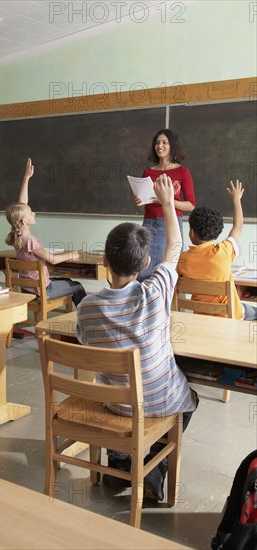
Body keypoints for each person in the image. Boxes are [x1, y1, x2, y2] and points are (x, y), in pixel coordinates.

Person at [77, 174, 198, 501]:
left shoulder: (86, 308)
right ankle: (151, 467)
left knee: (120, 390)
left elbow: (86, 341)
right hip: (157, 403)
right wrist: (169, 203)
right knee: (191, 398)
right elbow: (174, 246)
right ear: (145, 263)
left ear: (104, 261)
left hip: (116, 405)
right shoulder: (155, 292)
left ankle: (119, 459)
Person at [5, 158, 86, 306]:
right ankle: (86, 321)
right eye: (31, 213)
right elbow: (53, 260)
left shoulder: (17, 236)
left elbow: (22, 205)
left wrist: (26, 178)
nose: (34, 213)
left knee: (67, 282)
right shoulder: (31, 241)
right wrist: (72, 254)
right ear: (23, 221)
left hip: (27, 289)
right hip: (42, 290)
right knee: (77, 286)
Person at [177, 180, 257, 321]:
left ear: (192, 233)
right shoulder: (224, 251)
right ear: (216, 232)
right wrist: (236, 199)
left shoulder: (183, 259)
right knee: (250, 311)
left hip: (200, 317)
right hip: (231, 317)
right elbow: (238, 226)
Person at [134, 129, 196, 280]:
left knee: (166, 268)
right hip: (148, 222)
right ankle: (145, 301)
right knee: (143, 267)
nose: (159, 146)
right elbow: (146, 204)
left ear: (172, 146)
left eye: (164, 142)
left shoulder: (182, 171)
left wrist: (167, 201)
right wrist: (140, 202)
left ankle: (165, 302)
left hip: (171, 222)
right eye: (157, 142)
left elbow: (190, 205)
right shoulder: (148, 171)